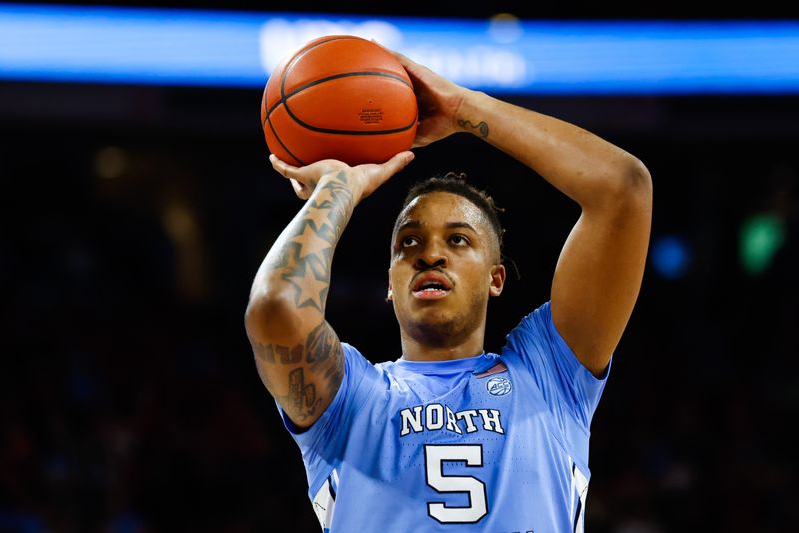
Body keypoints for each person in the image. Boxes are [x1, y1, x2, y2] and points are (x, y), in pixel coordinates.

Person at [245, 46, 653, 532]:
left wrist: (465, 109)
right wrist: (339, 188)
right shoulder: (350, 399)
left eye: (458, 240)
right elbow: (275, 309)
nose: (430, 254)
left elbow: (623, 189)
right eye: (408, 242)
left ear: (496, 277)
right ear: (390, 286)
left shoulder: (550, 374)